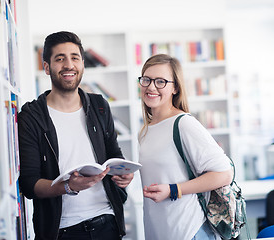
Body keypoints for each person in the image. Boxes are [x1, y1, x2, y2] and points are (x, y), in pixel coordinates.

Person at [18, 31, 133, 240]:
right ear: (46, 67)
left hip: (107, 223)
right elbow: (29, 184)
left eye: (74, 57)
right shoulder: (31, 116)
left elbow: (114, 153)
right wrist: (68, 187)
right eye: (59, 59)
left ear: (82, 64)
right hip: (61, 231)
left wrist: (123, 173)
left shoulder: (99, 105)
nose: (68, 65)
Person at [138, 54, 233, 240]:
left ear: (175, 88)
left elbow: (224, 174)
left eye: (160, 81)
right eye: (147, 79)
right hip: (159, 231)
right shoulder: (145, 131)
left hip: (188, 231)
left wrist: (174, 190)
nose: (151, 87)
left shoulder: (184, 124)